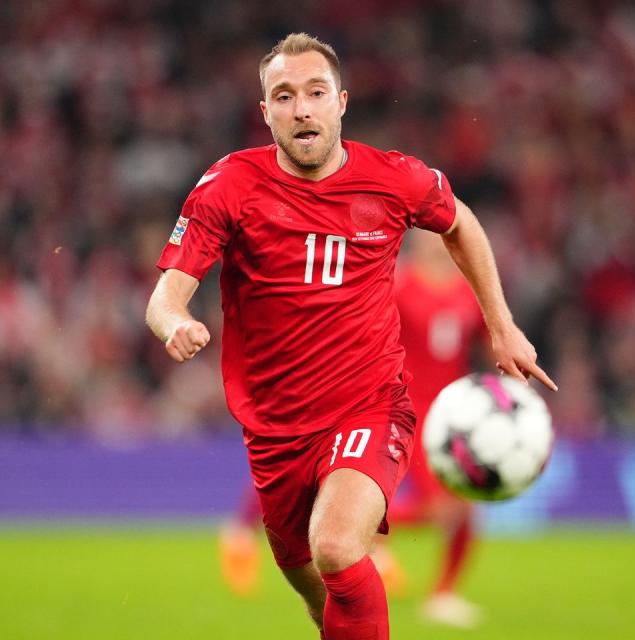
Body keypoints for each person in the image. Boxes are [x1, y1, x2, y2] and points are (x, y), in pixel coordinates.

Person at [145, 32, 556, 640]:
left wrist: (501, 324)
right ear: (267, 112)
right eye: (284, 97)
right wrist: (176, 322)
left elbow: (459, 222)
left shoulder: (392, 179)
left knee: (336, 547)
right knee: (322, 601)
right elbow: (163, 300)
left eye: (315, 93)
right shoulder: (230, 186)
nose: (302, 108)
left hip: (370, 405)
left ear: (341, 101)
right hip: (274, 430)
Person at [374, 229, 487, 627]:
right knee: (447, 508)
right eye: (429, 236)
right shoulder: (398, 284)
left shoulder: (467, 290)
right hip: (408, 408)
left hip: (455, 411)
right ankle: (367, 529)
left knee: (467, 508)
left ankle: (441, 593)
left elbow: (486, 340)